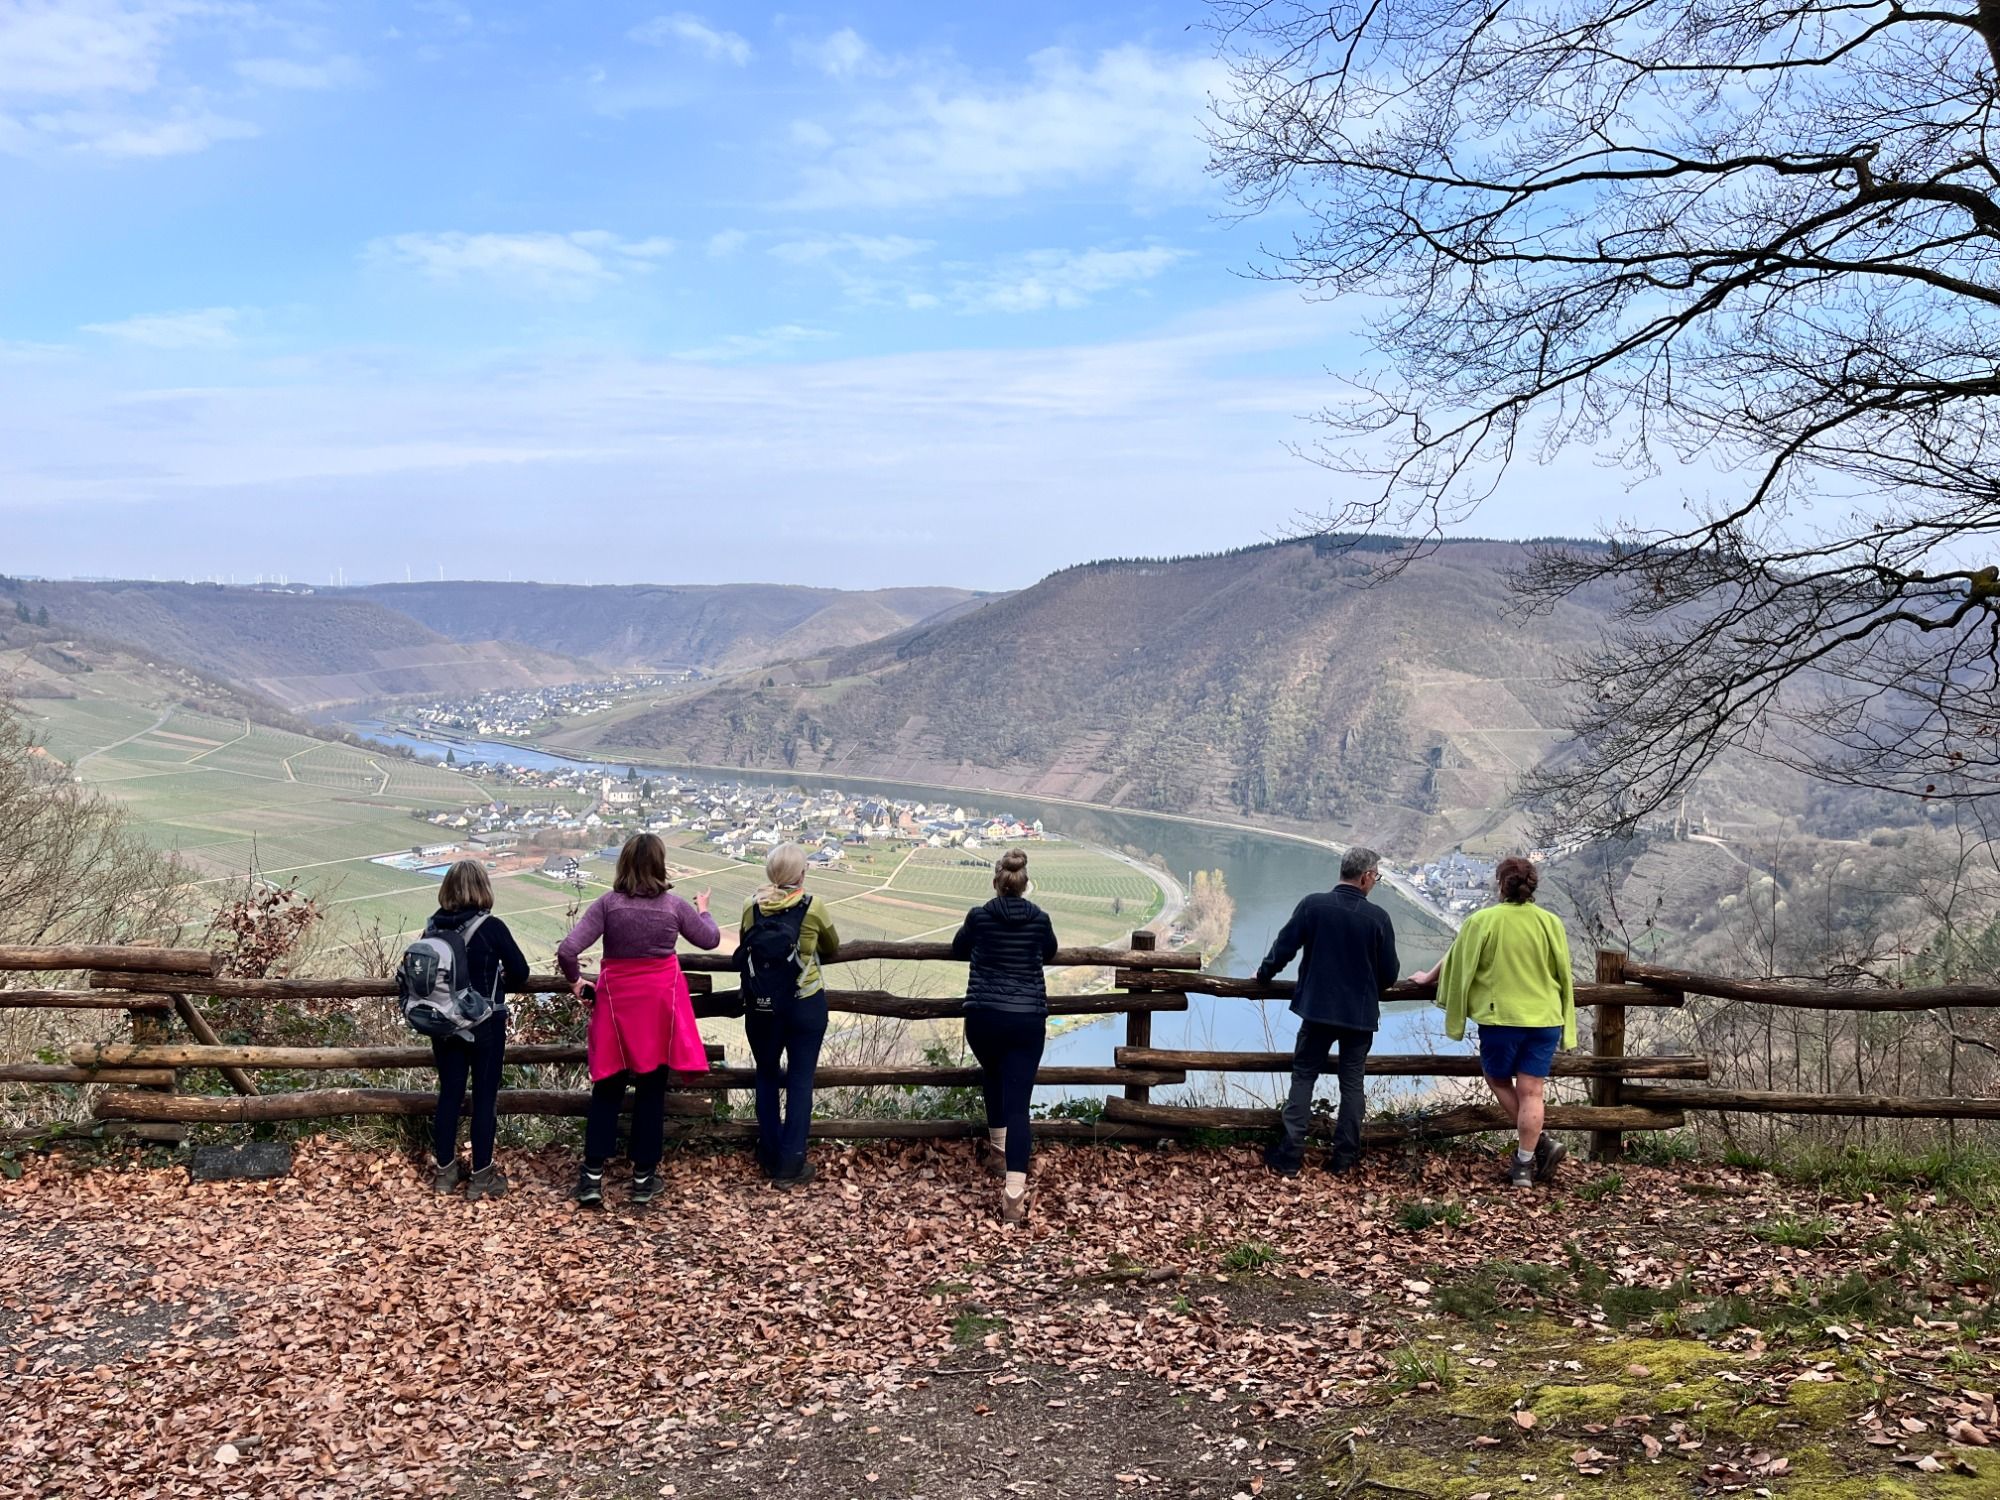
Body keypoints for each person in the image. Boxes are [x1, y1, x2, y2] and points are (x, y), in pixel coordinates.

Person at [556, 833, 720, 1208]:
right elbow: (710, 940)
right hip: (659, 1010)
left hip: (615, 1008)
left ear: (624, 863)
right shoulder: (674, 907)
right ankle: (644, 1179)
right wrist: (705, 908)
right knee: (651, 1091)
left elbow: (568, 951)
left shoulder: (608, 906)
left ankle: (592, 1177)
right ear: (660, 864)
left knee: (607, 1089)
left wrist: (577, 983)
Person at [1410, 856, 1577, 1189]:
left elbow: (1458, 956)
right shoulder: (1550, 922)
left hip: (1502, 1018)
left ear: (1501, 884)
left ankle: (1539, 1145)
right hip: (1545, 1018)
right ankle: (1525, 1166)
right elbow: (1563, 971)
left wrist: (1428, 977)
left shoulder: (1482, 920)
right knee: (1533, 1092)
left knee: (1498, 1079)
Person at [1254, 846, 1401, 1177]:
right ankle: (1344, 1160)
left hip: (1317, 1010)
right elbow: (1390, 974)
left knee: (1304, 1075)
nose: (1374, 882)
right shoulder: (1378, 919)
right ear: (1365, 877)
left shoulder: (1313, 906)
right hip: (1359, 1016)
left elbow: (1284, 948)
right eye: (1375, 876)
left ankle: (1290, 1156)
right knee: (1352, 1084)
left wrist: (1263, 975)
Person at [952, 848, 1058, 1224]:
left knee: (992, 1073)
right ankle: (1013, 1190)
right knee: (1019, 1106)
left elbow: (957, 948)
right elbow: (1050, 952)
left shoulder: (979, 918)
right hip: (1027, 1020)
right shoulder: (1039, 920)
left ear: (997, 883)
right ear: (1025, 884)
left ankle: (998, 1150)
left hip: (983, 1018)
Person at [738, 842, 841, 1186]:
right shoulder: (813, 908)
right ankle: (791, 1162)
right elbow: (832, 946)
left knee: (766, 1075)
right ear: (801, 874)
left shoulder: (751, 907)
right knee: (800, 1081)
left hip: (763, 1006)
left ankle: (769, 1152)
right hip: (804, 1003)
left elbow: (747, 946)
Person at [426, 860, 530, 1202]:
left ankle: (445, 1172)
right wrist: (498, 982)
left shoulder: (433, 928)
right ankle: (481, 1176)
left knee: (449, 1095)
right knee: (484, 1098)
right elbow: (521, 971)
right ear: (483, 888)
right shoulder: (492, 928)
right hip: (486, 1025)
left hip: (444, 1026)